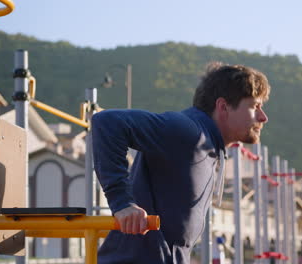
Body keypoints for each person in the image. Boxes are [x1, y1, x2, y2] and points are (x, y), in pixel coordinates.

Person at [91, 62, 270, 264]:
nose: (263, 117)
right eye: (255, 106)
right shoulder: (190, 132)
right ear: (223, 107)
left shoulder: (206, 146)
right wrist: (122, 203)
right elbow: (106, 122)